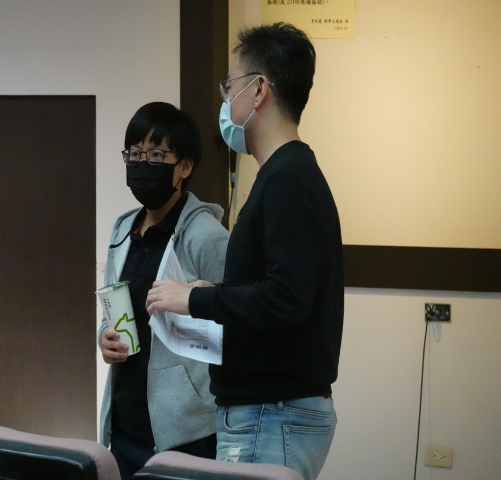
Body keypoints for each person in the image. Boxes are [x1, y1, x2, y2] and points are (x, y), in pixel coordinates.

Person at [146, 23, 344, 480]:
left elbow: (286, 298)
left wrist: (194, 298)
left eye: (229, 85)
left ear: (258, 90)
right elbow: (277, 289)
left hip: (272, 413)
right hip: (268, 411)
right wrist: (211, 291)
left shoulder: (287, 179)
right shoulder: (284, 175)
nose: (225, 99)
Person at [98, 102, 230, 479]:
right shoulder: (123, 229)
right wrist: (105, 336)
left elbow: (236, 321)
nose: (143, 164)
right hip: (124, 422)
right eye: (135, 154)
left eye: (156, 155)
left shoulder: (207, 236)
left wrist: (195, 301)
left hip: (186, 431)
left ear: (185, 166)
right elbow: (115, 306)